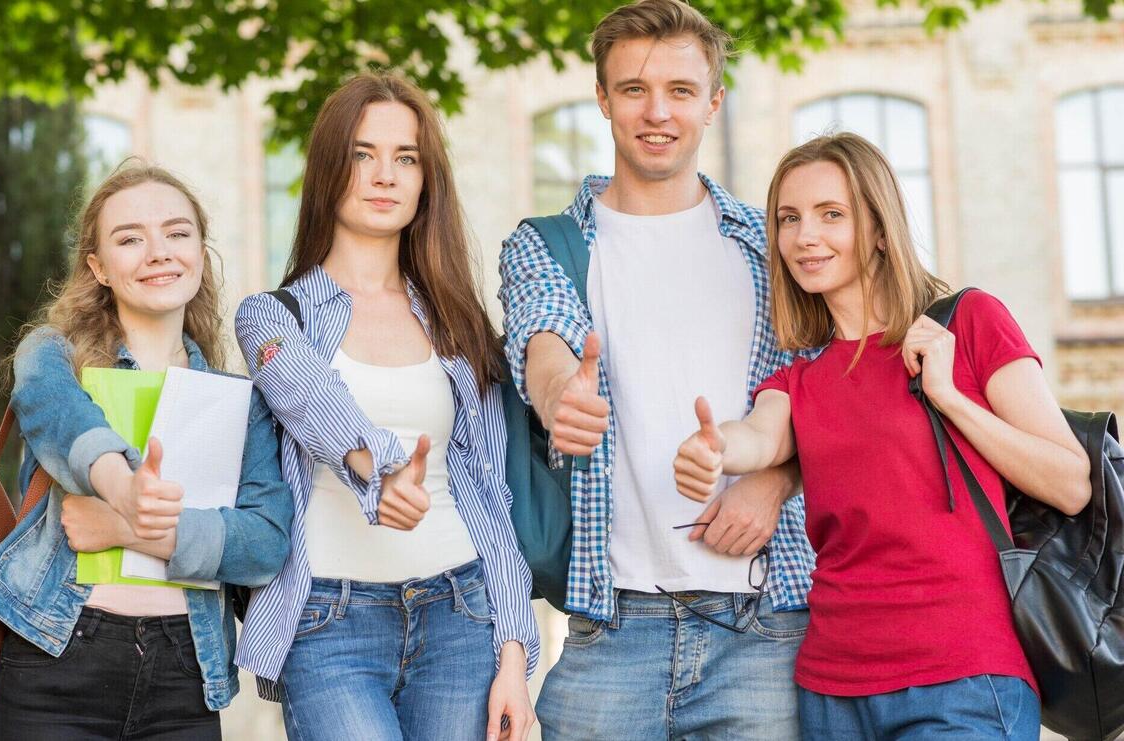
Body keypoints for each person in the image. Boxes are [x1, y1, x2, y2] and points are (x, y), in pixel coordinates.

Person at [674, 132, 1092, 740]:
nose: (804, 236)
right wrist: (714, 451)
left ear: (878, 229)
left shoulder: (969, 323)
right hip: (831, 693)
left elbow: (1071, 482)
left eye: (830, 215)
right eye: (788, 219)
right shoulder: (800, 377)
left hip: (964, 681)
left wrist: (950, 399)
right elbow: (759, 438)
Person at [498, 0, 816, 737]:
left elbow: (823, 395)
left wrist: (776, 479)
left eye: (679, 90)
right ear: (603, 98)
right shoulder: (547, 243)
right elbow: (544, 332)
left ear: (714, 102)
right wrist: (559, 397)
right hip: (611, 632)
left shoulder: (770, 251)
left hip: (762, 631)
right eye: (634, 89)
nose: (657, 112)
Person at [233, 72, 539, 741]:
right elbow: (310, 397)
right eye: (363, 154)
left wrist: (514, 650)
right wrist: (374, 463)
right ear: (328, 169)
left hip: (462, 612)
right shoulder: (272, 317)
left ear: (427, 181)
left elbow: (492, 495)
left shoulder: (459, 325)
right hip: (329, 624)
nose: (385, 175)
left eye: (406, 158)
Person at [0, 162, 295, 739]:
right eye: (129, 239)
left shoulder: (236, 401)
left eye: (177, 233)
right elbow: (62, 418)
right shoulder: (52, 356)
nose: (158, 252)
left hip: (185, 676)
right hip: (55, 655)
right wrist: (123, 485)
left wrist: (130, 528)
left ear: (200, 250)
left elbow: (266, 542)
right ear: (97, 267)